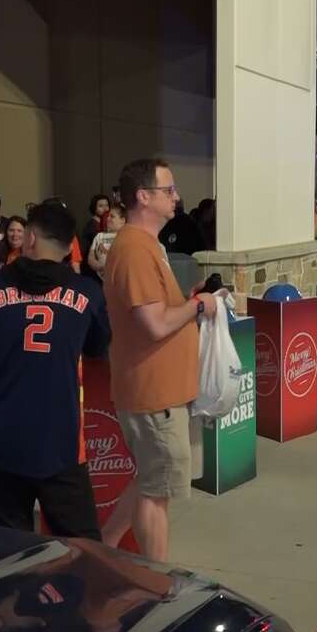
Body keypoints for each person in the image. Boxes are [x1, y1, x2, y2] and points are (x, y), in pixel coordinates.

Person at [0, 200, 111, 538]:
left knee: (9, 549)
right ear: (69, 247)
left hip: (1, 436)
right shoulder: (88, 293)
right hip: (60, 441)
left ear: (30, 238)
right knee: (84, 553)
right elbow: (98, 347)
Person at [99, 158, 217, 563]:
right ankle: (157, 579)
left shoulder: (147, 246)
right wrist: (199, 306)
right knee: (157, 491)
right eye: (168, 190)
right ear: (143, 196)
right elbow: (152, 324)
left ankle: (106, 545)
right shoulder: (134, 249)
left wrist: (189, 300)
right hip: (154, 395)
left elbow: (157, 311)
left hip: (160, 390)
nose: (177, 197)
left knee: (150, 478)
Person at [88, 203, 126, 278]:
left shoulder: (127, 236)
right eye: (108, 216)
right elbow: (91, 257)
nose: (108, 219)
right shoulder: (99, 236)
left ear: (122, 220)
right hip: (100, 281)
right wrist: (99, 266)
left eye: (112, 216)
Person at [80, 194, 112, 275]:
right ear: (94, 208)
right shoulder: (92, 226)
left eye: (106, 205)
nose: (105, 209)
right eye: (101, 206)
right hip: (91, 268)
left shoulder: (106, 223)